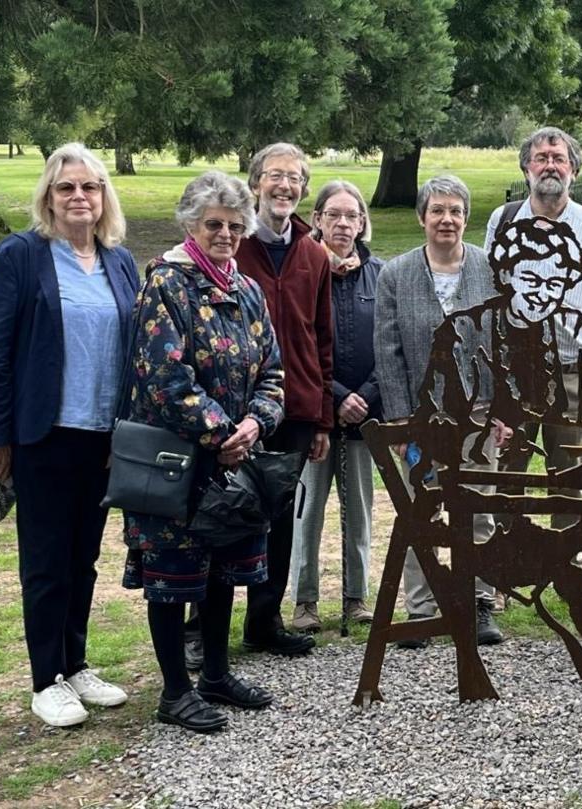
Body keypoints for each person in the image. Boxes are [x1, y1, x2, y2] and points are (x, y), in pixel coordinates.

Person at [121, 171, 285, 732]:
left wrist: (254, 426)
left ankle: (215, 675)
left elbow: (273, 371)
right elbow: (163, 378)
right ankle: (174, 691)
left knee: (222, 572)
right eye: (214, 224)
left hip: (235, 459)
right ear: (190, 223)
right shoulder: (165, 283)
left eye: (236, 226)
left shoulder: (247, 289)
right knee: (173, 577)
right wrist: (223, 435)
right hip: (178, 462)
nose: (225, 234)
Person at [0, 144, 137, 727]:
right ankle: (45, 678)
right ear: (48, 196)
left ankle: (75, 665)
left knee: (85, 558)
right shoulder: (22, 256)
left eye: (90, 187)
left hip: (104, 438)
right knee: (46, 561)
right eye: (66, 187)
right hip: (43, 435)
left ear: (104, 197)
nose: (80, 197)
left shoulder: (119, 261)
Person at [375, 175, 506, 647]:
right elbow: (387, 351)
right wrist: (398, 421)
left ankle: (479, 602)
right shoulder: (396, 274)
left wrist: (502, 412)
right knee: (421, 512)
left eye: (455, 211)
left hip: (478, 415)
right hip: (419, 418)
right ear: (422, 217)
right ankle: (420, 608)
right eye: (437, 210)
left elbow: (503, 345)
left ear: (466, 218)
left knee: (479, 511)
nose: (446, 219)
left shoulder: (490, 269)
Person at [483, 127, 582, 536]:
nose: (550, 166)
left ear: (573, 169)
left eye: (559, 158)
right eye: (541, 158)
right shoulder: (503, 220)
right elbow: (490, 291)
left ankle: (568, 570)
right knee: (507, 472)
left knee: (571, 475)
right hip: (516, 372)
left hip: (574, 371)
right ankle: (501, 566)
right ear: (526, 168)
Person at [230, 142, 334, 657]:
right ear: (255, 184)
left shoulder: (313, 254)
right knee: (223, 511)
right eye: (275, 176)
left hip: (294, 407)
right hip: (233, 408)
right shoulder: (232, 243)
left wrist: (320, 419)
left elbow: (322, 336)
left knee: (278, 514)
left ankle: (264, 619)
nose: (285, 187)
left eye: (294, 179)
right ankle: (201, 624)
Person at [289, 180, 381, 632]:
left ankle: (356, 597)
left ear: (362, 223)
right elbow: (299, 343)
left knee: (359, 511)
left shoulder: (379, 275)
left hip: (367, 416)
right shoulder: (304, 271)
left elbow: (391, 343)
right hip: (316, 415)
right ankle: (304, 602)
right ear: (318, 220)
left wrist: (366, 395)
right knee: (306, 513)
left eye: (352, 216)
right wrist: (337, 396)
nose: (343, 223)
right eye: (334, 215)